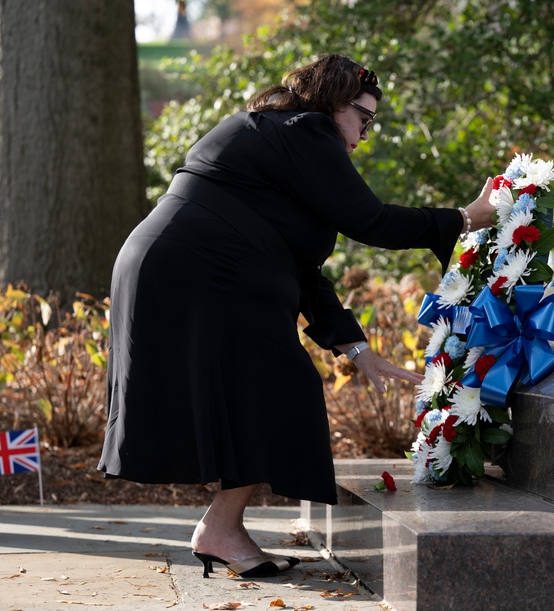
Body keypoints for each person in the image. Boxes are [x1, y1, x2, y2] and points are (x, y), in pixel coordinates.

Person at [99, 54, 496, 578]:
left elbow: (303, 270)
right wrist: (466, 218)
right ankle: (219, 528)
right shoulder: (305, 130)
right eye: (363, 118)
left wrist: (358, 349)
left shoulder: (285, 141)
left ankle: (221, 529)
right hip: (198, 266)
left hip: (185, 264)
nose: (364, 136)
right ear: (334, 103)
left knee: (261, 389)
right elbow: (371, 221)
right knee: (279, 385)